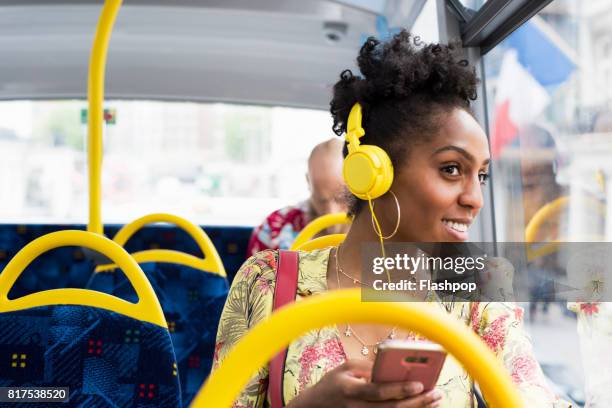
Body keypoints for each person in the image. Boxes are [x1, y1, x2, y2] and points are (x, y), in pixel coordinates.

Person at [215, 31, 570, 407]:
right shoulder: (266, 282)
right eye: (451, 169)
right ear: (375, 173)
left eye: (480, 175)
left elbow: (531, 394)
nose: (475, 199)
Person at [247, 138, 348, 256]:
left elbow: (372, 273)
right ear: (308, 182)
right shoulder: (274, 229)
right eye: (321, 201)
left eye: (342, 199)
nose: (331, 212)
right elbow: (252, 273)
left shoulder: (371, 228)